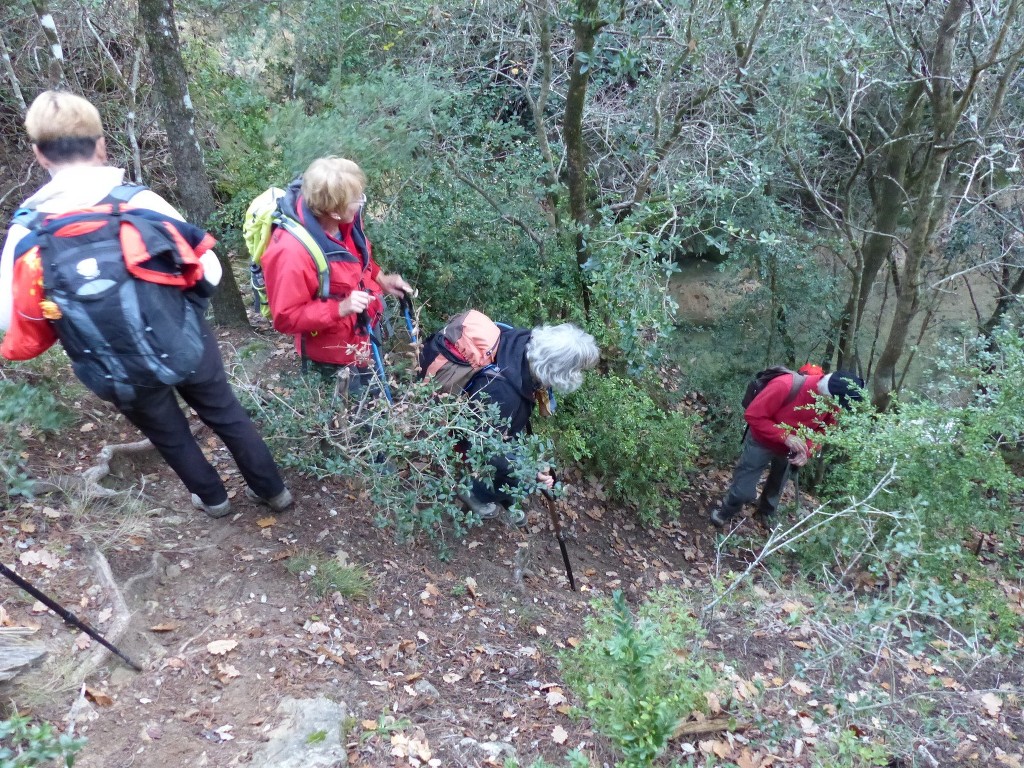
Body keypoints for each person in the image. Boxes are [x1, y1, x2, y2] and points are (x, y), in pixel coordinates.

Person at [0, 90, 291, 519]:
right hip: (182, 339)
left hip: (113, 365)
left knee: (169, 435)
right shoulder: (138, 203)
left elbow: (11, 316)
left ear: (40, 155)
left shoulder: (28, 231)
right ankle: (274, 492)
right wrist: (184, 307)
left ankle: (213, 500)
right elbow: (209, 267)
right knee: (226, 415)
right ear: (100, 145)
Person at [421, 321, 600, 521]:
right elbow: (483, 446)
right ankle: (475, 493)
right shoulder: (503, 392)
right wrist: (529, 470)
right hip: (465, 430)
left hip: (483, 415)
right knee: (518, 473)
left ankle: (506, 497)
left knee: (520, 456)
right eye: (577, 370)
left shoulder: (523, 341)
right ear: (557, 370)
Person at [260, 157, 412, 389]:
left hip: (363, 332)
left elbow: (357, 262)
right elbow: (285, 317)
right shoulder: (290, 253)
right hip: (333, 355)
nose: (362, 203)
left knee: (373, 394)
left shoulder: (346, 223)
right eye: (357, 199)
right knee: (351, 415)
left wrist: (381, 280)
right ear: (335, 211)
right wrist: (340, 308)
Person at [711, 369, 864, 528]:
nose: (838, 409)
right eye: (837, 404)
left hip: (791, 449)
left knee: (778, 484)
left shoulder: (833, 403)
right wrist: (785, 436)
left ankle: (766, 513)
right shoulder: (784, 385)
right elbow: (753, 415)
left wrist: (808, 450)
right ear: (828, 395)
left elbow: (823, 431)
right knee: (744, 487)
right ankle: (727, 510)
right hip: (762, 440)